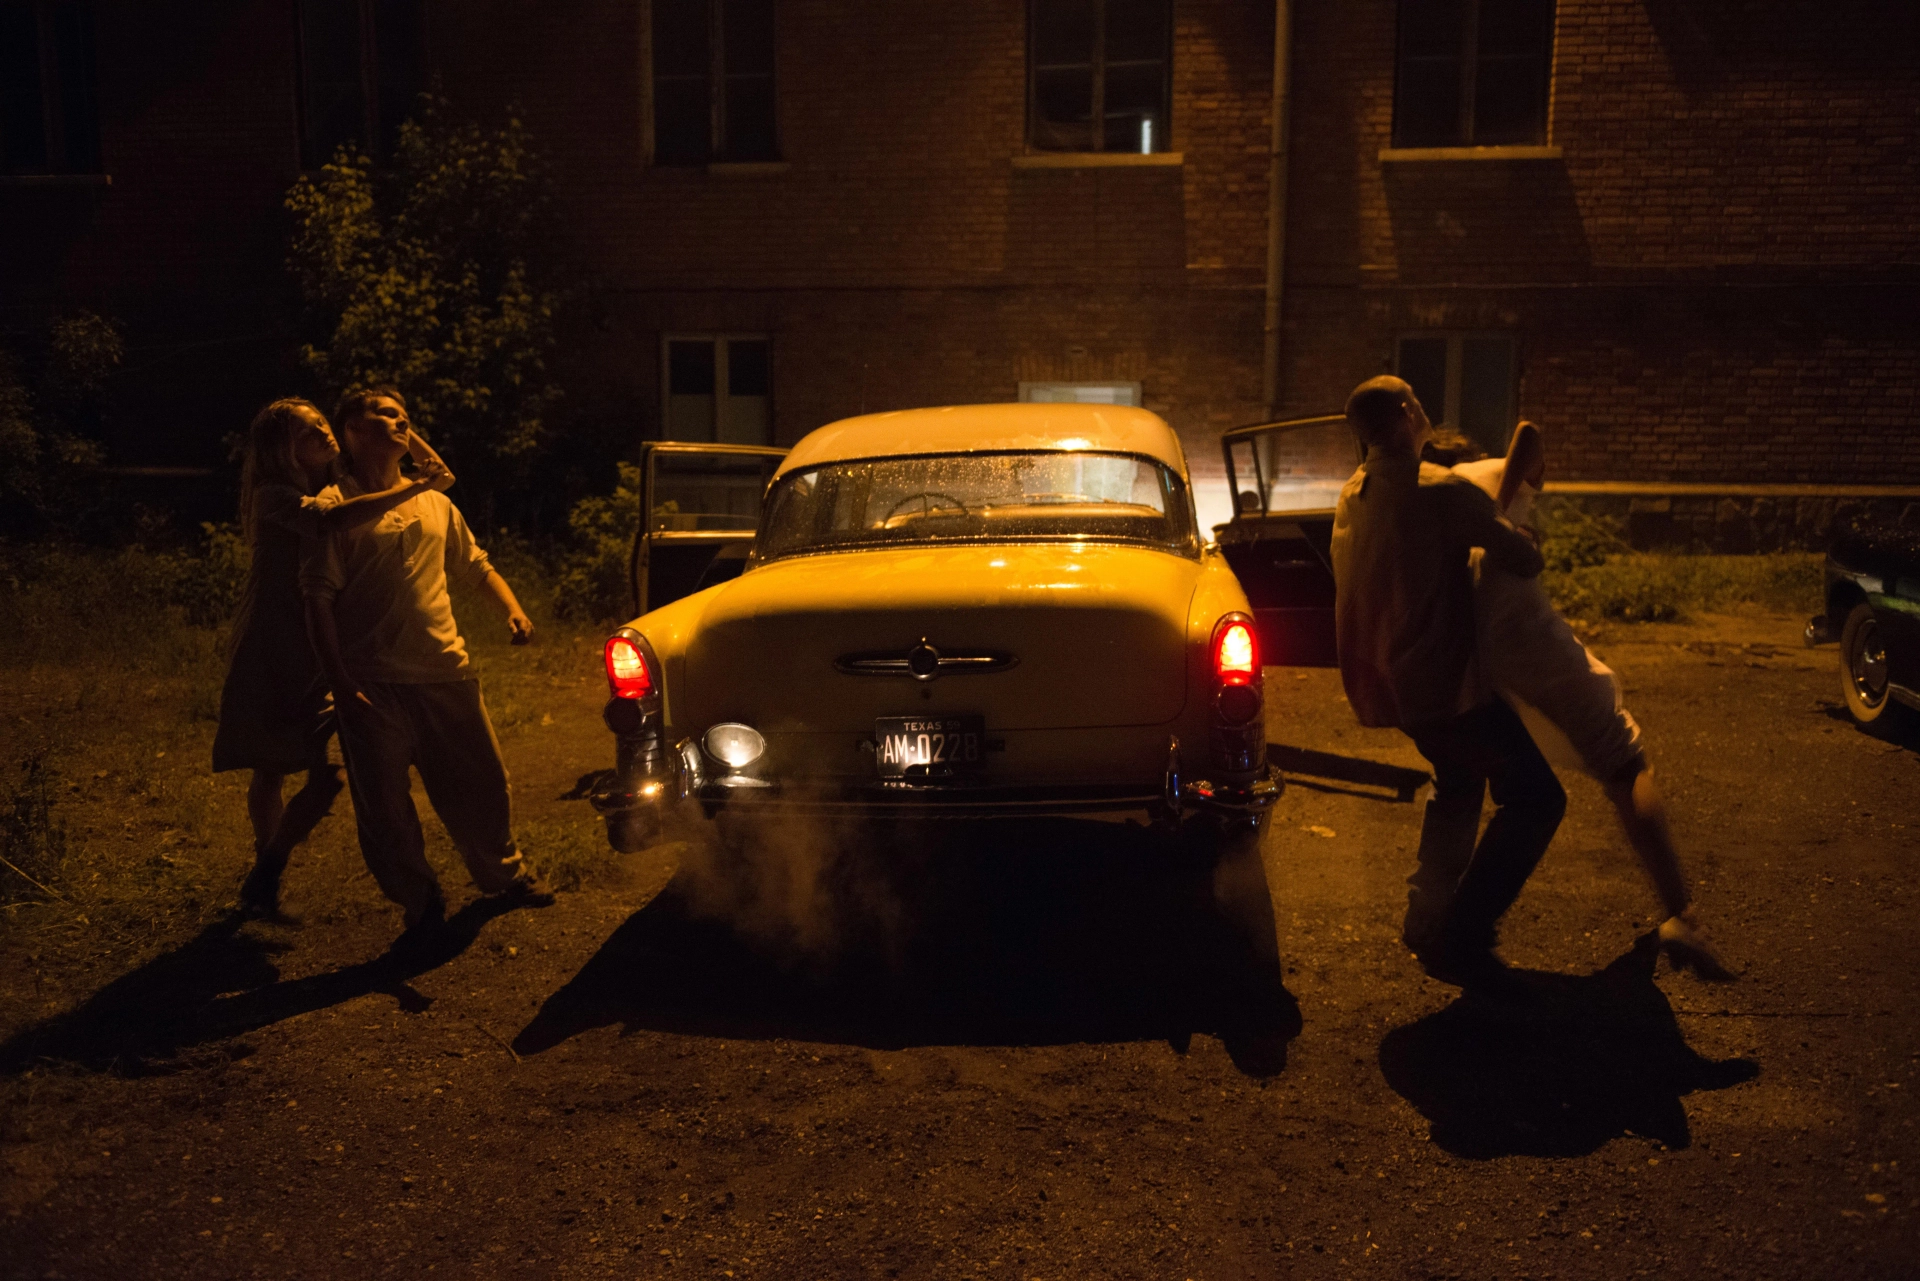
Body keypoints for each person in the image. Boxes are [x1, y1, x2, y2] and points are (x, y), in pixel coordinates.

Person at [1421, 423, 1734, 979]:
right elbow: (1529, 433)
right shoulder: (1485, 477)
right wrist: (1501, 507)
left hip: (1487, 653)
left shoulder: (1432, 499)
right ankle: (1681, 915)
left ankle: (1442, 920)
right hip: (1534, 639)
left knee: (1524, 775)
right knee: (1627, 761)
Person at [299, 387, 550, 949]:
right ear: (351, 433)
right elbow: (316, 602)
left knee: (483, 784)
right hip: (372, 681)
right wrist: (340, 682)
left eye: (404, 415)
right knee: (385, 805)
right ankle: (421, 902)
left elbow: (475, 565)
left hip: (443, 669)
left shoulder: (436, 504)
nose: (399, 420)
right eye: (383, 414)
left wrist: (512, 609)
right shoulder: (333, 508)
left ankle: (503, 876)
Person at [1331, 376, 1560, 987]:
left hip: (1385, 682)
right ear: (1409, 413)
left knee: (1458, 780)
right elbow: (1523, 558)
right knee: (1536, 797)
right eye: (1421, 402)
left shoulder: (1355, 490)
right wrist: (1519, 534)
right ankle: (1464, 934)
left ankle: (1426, 915)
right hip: (1438, 686)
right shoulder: (1439, 490)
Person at [213, 397, 454, 914]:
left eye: (324, 423)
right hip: (274, 643)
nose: (323, 432)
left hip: (324, 644)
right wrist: (413, 487)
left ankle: (267, 869)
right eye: (308, 431)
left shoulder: (337, 478)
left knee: (332, 772)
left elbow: (443, 477)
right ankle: (266, 872)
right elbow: (333, 521)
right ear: (283, 448)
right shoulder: (275, 494)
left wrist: (399, 432)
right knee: (272, 767)